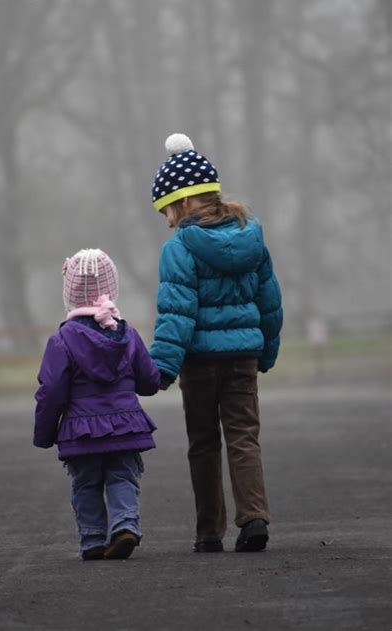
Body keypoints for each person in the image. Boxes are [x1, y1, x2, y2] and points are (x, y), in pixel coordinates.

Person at [150, 134, 283, 554]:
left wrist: (163, 367)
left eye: (168, 208)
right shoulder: (251, 236)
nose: (168, 219)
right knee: (244, 436)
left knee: (203, 442)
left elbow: (177, 313)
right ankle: (254, 518)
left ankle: (209, 532)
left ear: (183, 201)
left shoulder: (180, 248)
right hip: (243, 355)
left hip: (200, 361)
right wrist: (268, 349)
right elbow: (269, 300)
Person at [33, 248, 160, 561]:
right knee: (122, 477)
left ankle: (92, 540)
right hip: (125, 425)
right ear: (111, 289)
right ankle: (125, 526)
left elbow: (51, 391)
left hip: (81, 429)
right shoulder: (127, 334)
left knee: (86, 483)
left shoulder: (61, 340)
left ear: (71, 295)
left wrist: (45, 433)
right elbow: (149, 380)